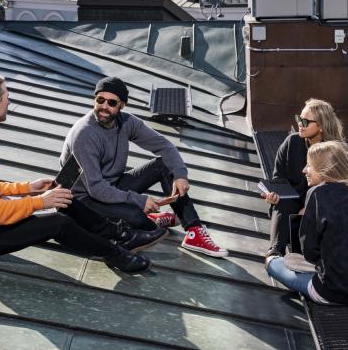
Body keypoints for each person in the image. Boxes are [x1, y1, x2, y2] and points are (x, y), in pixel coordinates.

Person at [0, 73, 150, 274]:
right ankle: (115, 255)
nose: (9, 102)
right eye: (7, 97)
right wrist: (39, 202)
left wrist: (29, 188)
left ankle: (119, 234)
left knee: (64, 199)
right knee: (58, 223)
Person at [61, 76, 228, 258]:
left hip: (111, 186)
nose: (104, 107)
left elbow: (164, 146)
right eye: (100, 100)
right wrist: (139, 201)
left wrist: (180, 174)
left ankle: (193, 230)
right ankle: (149, 219)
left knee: (165, 164)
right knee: (137, 218)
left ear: (121, 105)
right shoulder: (84, 134)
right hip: (81, 200)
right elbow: (95, 188)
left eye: (111, 102)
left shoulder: (126, 122)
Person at [265, 141, 348, 304]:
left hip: (331, 292)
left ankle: (272, 259)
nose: (304, 170)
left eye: (309, 166)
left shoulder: (318, 193)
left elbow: (309, 252)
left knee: (273, 264)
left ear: (324, 169)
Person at [261, 99, 345, 258]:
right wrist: (274, 195)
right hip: (290, 205)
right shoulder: (292, 142)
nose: (300, 123)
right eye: (299, 119)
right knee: (283, 203)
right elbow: (279, 179)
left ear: (321, 126)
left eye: (305, 121)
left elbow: (338, 192)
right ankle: (274, 252)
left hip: (321, 209)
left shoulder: (334, 152)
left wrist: (309, 208)